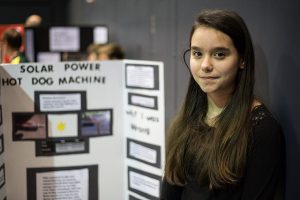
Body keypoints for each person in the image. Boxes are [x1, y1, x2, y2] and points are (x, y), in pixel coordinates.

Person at [162, 9, 285, 200]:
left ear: (242, 59)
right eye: (197, 53)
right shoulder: (187, 118)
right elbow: (170, 190)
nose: (205, 65)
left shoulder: (261, 129)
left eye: (219, 54)